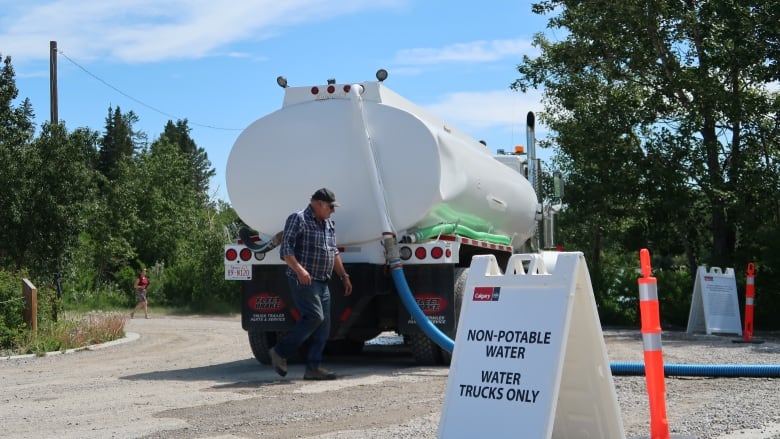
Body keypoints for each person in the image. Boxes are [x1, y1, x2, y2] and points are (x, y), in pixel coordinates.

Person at [269, 188, 353, 380]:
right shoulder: (298, 219)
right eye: (331, 207)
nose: (333, 210)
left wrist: (344, 276)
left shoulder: (328, 224)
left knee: (324, 325)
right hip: (304, 280)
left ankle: (313, 368)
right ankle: (280, 352)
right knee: (315, 317)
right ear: (318, 204)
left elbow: (333, 252)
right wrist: (300, 270)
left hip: (323, 281)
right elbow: (286, 249)